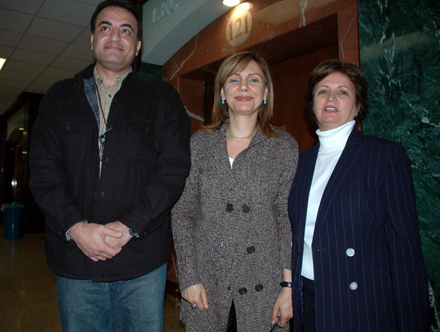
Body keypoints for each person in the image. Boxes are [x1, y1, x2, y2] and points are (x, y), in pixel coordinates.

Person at [28, 0, 191, 331]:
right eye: (106, 27)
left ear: (138, 45)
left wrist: (128, 227)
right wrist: (76, 228)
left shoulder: (163, 99)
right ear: (92, 39)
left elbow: (172, 172)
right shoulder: (59, 98)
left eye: (126, 30)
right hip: (76, 262)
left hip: (142, 264)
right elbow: (44, 173)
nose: (115, 36)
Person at [288, 59, 431, 332]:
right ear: (313, 104)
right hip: (308, 300)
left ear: (358, 106)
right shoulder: (300, 163)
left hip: (359, 304)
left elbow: (405, 251)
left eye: (343, 92)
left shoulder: (384, 156)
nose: (331, 97)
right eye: (322, 91)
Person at [171, 51, 298, 332]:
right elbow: (182, 213)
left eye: (254, 79)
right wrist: (188, 277)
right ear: (223, 93)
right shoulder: (200, 144)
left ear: (265, 92)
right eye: (234, 79)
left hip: (262, 285)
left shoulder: (283, 147)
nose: (244, 87)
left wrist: (288, 287)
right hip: (207, 283)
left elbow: (286, 220)